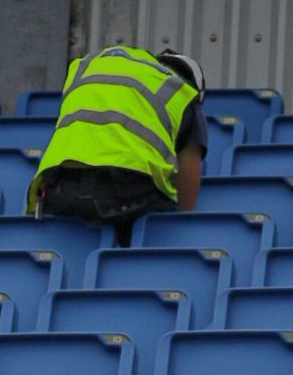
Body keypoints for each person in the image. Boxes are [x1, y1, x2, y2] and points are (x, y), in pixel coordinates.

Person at [26, 41, 208, 242]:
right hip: (129, 192)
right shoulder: (181, 90)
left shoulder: (92, 66)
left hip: (58, 187)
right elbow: (190, 173)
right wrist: (180, 227)